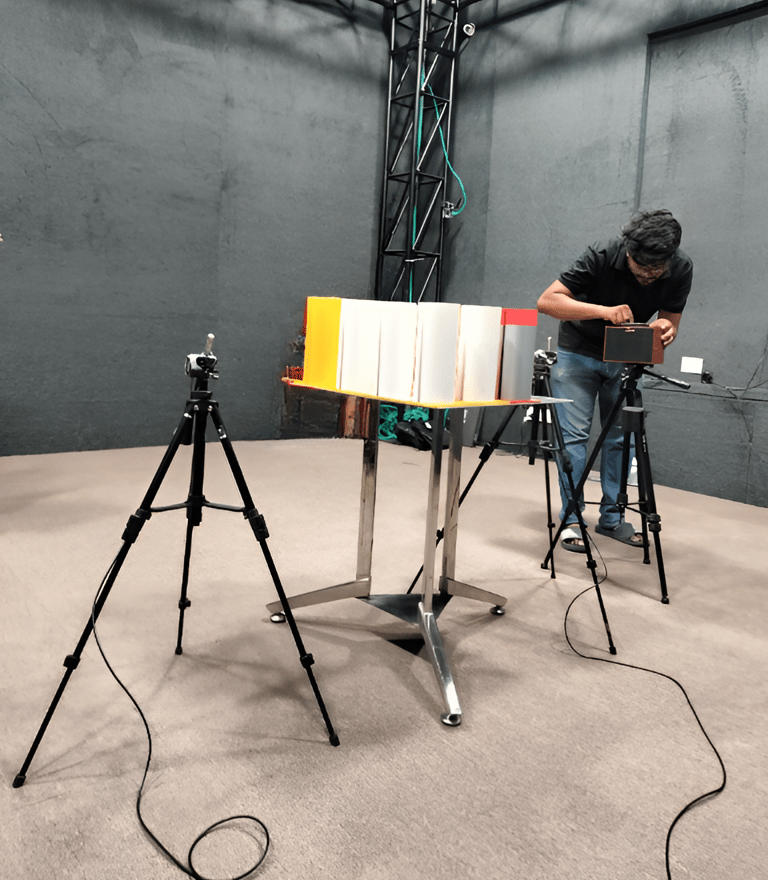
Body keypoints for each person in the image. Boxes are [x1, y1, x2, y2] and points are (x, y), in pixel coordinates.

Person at [537, 209, 692, 552]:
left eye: (656, 269)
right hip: (578, 352)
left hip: (625, 356)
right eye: (641, 267)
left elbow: (669, 320)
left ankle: (612, 518)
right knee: (574, 439)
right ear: (628, 251)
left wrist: (665, 329)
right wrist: (603, 311)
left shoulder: (681, 268)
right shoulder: (602, 254)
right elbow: (547, 302)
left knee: (621, 441)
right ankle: (572, 519)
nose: (648, 275)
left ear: (670, 257)